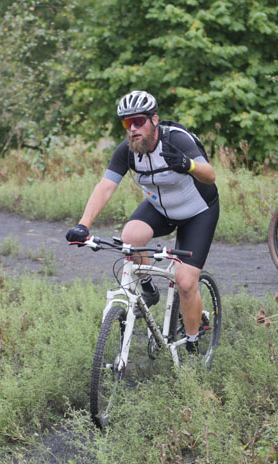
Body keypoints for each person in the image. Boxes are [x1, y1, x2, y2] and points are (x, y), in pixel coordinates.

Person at [65, 90, 219, 354]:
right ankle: (149, 289)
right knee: (130, 237)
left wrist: (188, 164)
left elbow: (210, 175)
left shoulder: (176, 140)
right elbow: (106, 186)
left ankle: (193, 343)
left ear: (154, 120)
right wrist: (83, 225)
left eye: (138, 121)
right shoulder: (127, 151)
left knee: (185, 282)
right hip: (161, 208)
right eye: (127, 123)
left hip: (198, 211)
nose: (133, 128)